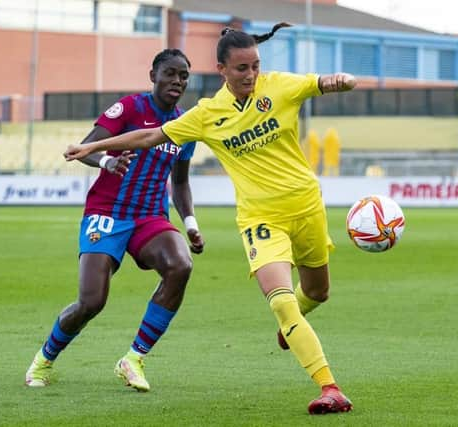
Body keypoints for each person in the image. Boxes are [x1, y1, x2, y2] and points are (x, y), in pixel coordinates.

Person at [64, 23, 356, 415]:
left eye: (255, 66)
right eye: (241, 69)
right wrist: (94, 145)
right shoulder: (206, 115)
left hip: (306, 208)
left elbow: (322, 82)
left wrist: (340, 80)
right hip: (260, 220)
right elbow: (150, 136)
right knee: (282, 303)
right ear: (221, 70)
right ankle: (329, 387)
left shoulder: (282, 86)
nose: (250, 75)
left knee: (316, 292)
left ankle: (293, 329)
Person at [25, 49, 205, 392]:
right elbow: (86, 148)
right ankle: (44, 359)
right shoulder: (130, 108)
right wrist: (106, 162)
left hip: (150, 217)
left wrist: (192, 223)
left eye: (183, 76)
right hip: (107, 213)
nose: (177, 81)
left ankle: (133, 358)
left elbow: (180, 182)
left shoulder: (185, 126)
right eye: (170, 73)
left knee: (180, 264)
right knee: (91, 302)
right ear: (153, 75)